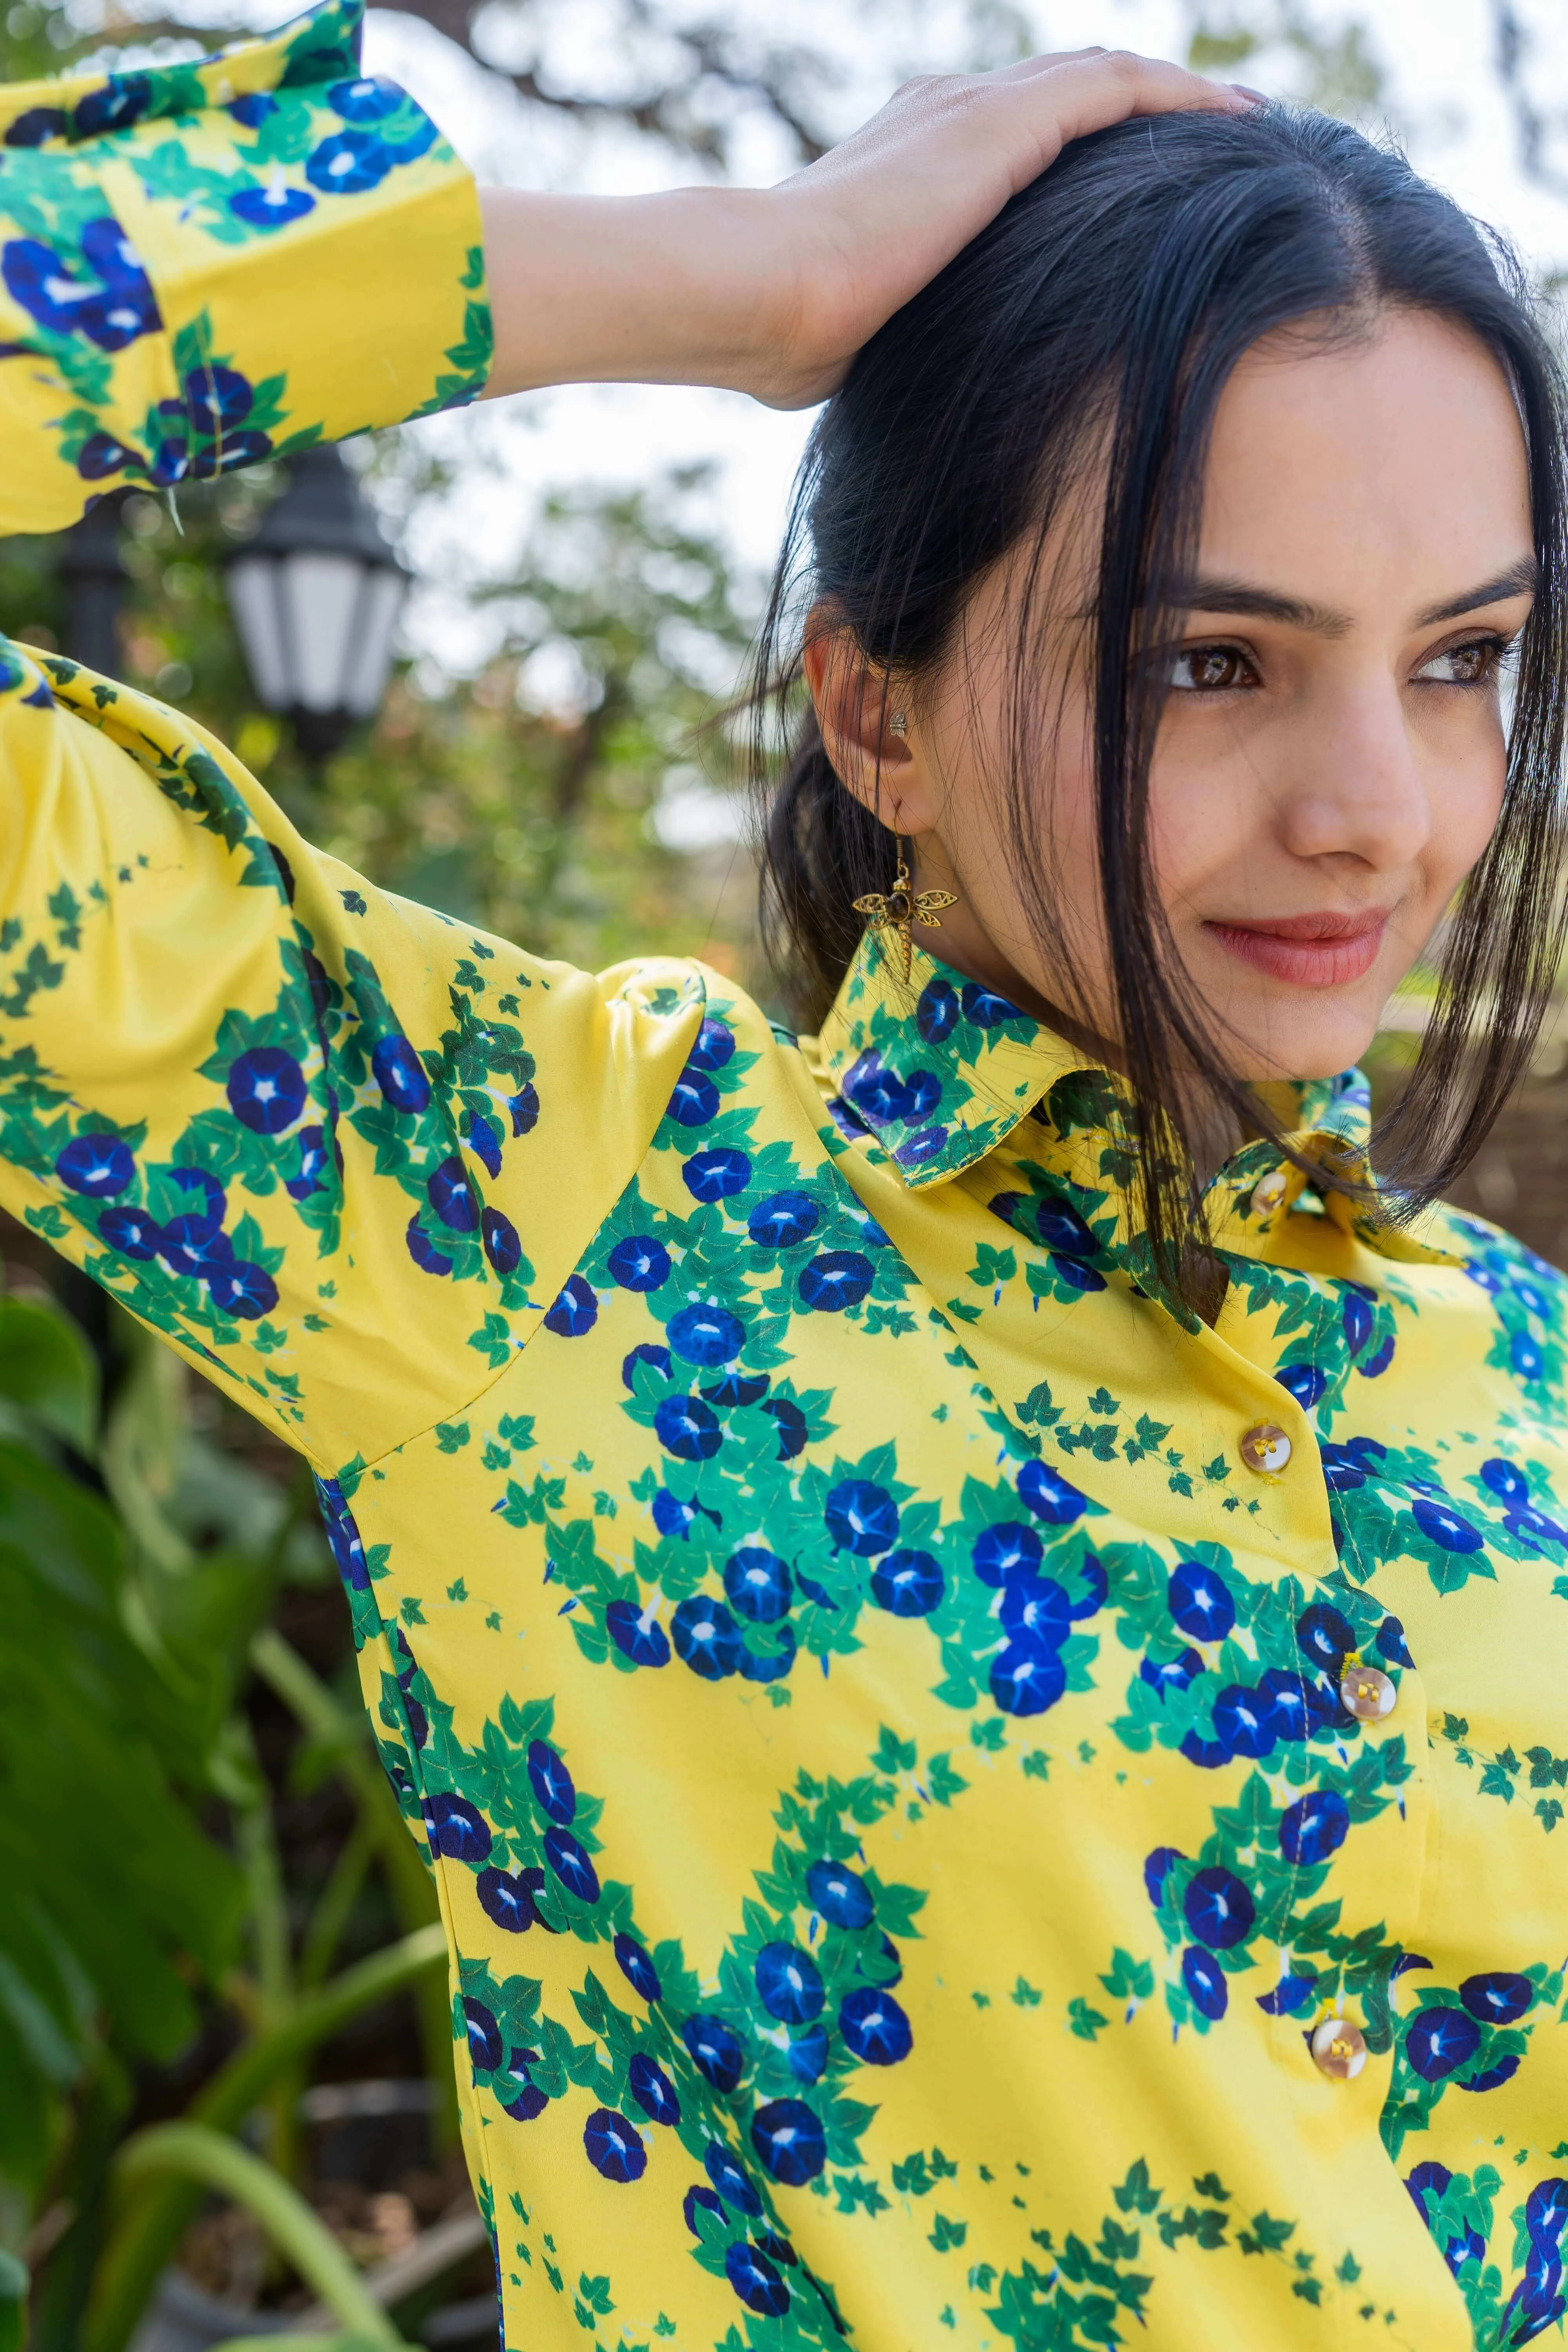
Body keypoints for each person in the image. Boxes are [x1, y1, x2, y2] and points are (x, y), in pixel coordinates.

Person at [1, 5, 1564, 2345]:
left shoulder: (1517, 1371)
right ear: (871, 706)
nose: (1380, 809)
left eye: (1462, 663)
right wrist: (749, 278)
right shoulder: (545, 1225)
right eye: (1211, 663)